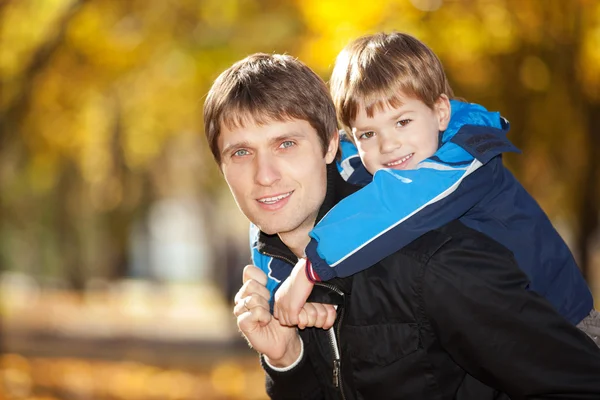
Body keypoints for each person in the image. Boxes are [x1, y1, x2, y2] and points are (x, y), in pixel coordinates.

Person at [203, 52, 600, 399]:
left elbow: (579, 384)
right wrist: (288, 360)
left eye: (285, 144)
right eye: (241, 152)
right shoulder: (280, 266)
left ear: (329, 144)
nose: (265, 175)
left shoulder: (430, 260)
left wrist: (311, 266)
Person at [270, 32, 600, 345]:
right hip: (499, 334)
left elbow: (396, 203)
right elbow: (318, 183)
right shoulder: (393, 157)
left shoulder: (463, 159)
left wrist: (310, 268)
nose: (388, 144)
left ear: (440, 113)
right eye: (368, 134)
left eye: (402, 122)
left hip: (566, 331)